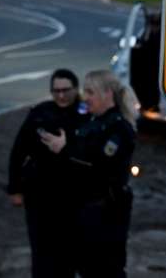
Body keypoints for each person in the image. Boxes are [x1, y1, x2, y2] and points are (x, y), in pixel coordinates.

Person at [40, 69, 138, 278]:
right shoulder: (91, 123)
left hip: (106, 211)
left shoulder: (118, 128)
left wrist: (65, 149)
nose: (86, 97)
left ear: (108, 94)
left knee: (105, 269)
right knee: (85, 267)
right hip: (85, 209)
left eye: (91, 92)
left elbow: (99, 164)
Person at [8, 68, 89, 278]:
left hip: (72, 195)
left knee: (68, 253)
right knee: (41, 250)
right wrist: (15, 188)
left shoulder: (87, 114)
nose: (61, 95)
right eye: (56, 91)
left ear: (75, 89)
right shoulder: (41, 113)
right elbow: (18, 151)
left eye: (65, 90)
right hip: (40, 193)